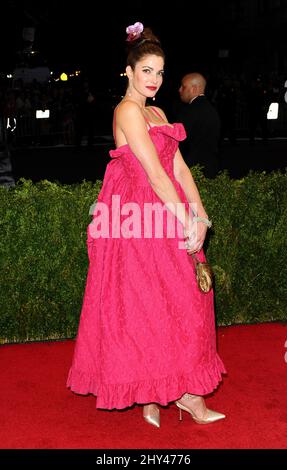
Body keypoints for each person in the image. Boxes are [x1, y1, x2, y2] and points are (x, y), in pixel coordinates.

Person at [67, 22, 226, 428]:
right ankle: (155, 394)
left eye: (159, 71)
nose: (155, 79)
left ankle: (179, 395)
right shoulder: (126, 111)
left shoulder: (158, 111)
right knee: (146, 311)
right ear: (129, 71)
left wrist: (201, 216)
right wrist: (185, 219)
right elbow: (154, 175)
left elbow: (179, 168)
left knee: (184, 305)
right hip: (141, 225)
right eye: (146, 71)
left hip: (170, 215)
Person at [173, 72, 221, 178]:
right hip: (211, 167)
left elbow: (177, 139)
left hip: (192, 169)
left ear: (194, 89)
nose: (180, 90)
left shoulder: (190, 111)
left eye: (183, 87)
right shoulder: (211, 108)